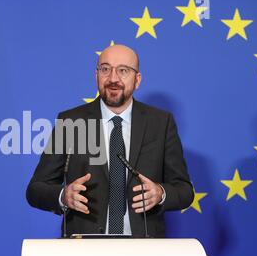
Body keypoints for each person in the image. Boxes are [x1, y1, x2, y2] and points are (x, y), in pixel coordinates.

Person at [26, 44, 194, 238]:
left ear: (137, 79)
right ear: (96, 75)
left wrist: (161, 193)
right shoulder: (71, 122)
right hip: (84, 250)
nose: (113, 79)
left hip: (145, 250)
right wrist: (63, 196)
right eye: (105, 69)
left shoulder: (161, 123)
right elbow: (35, 189)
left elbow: (184, 190)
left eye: (123, 71)